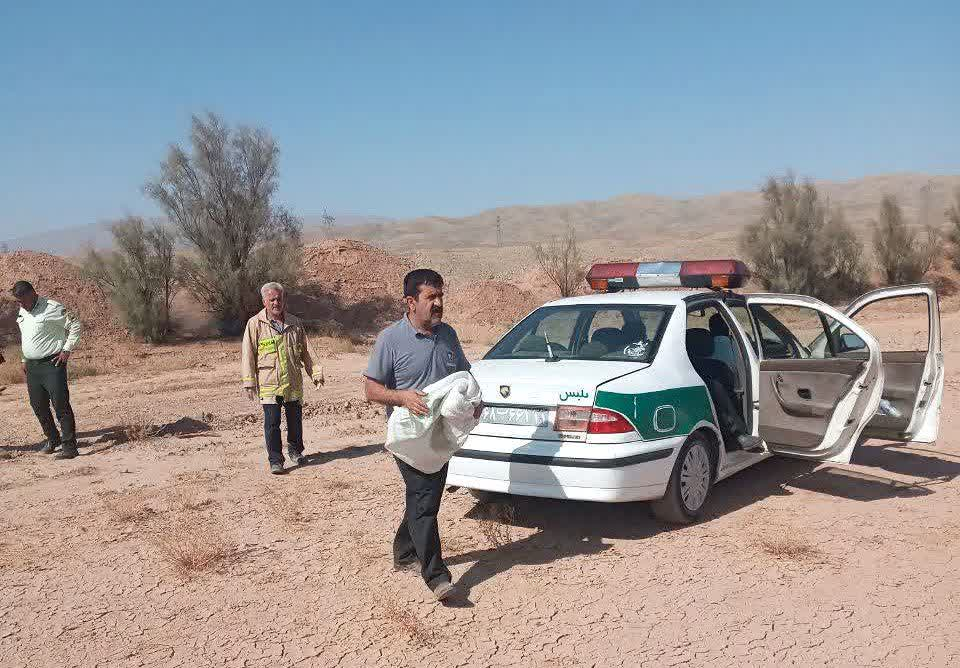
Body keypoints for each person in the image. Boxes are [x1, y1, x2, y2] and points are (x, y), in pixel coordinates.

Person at [364, 269, 474, 602]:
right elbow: (370, 389)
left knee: (425, 497)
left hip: (439, 436)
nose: (438, 303)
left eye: (441, 296)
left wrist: (473, 403)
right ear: (410, 302)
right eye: (431, 297)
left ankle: (404, 551)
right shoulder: (390, 340)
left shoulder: (448, 335)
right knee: (424, 498)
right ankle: (437, 576)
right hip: (408, 436)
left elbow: (463, 376)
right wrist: (402, 397)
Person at [240, 282, 325, 475]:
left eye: (279, 299)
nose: (276, 303)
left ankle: (296, 451)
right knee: (272, 423)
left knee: (295, 421)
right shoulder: (255, 324)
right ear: (264, 302)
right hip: (269, 383)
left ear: (283, 299)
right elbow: (248, 355)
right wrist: (249, 382)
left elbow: (307, 352)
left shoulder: (295, 323)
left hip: (293, 382)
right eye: (272, 300)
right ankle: (276, 460)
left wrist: (316, 373)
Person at [12, 281, 82, 459]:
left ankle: (69, 447)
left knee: (60, 405)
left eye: (22, 300)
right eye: (18, 302)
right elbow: (26, 336)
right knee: (38, 406)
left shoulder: (52, 307)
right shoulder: (23, 310)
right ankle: (53, 439)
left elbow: (75, 324)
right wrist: (23, 358)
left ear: (32, 293)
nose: (20, 305)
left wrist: (66, 350)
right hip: (32, 367)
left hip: (52, 364)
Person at [686, 329, 763, 453]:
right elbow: (726, 400)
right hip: (722, 426)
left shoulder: (687, 365)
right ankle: (738, 435)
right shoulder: (715, 368)